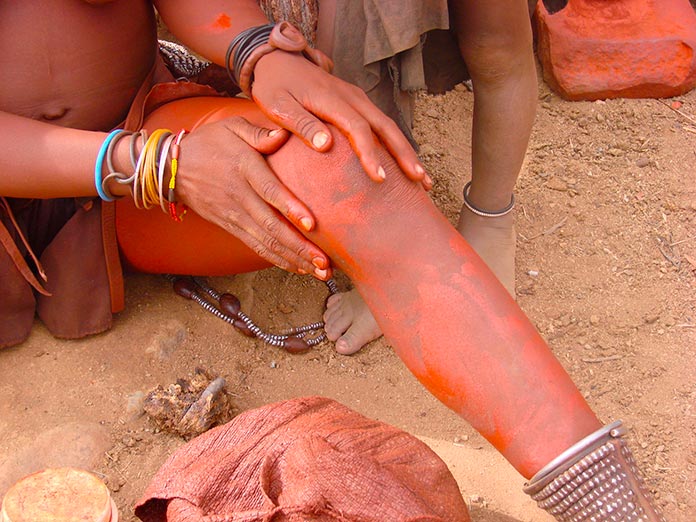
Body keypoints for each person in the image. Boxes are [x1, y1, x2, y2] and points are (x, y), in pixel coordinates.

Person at [0, 2, 664, 518]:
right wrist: (154, 166)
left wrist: (256, 49)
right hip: (65, 180)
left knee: (338, 167)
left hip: (134, 144)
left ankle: (603, 496)